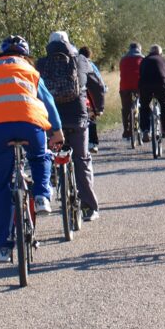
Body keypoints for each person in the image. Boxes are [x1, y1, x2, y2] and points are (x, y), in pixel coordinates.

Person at [0, 36, 65, 264]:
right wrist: (57, 130)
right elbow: (48, 100)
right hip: (30, 125)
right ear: (24, 54)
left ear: (1, 54)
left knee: (0, 189)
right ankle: (43, 195)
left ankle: (3, 249)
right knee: (39, 155)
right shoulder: (30, 70)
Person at [37, 32, 104, 221]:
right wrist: (98, 108)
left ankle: (50, 186)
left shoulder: (41, 64)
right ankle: (89, 207)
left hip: (51, 120)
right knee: (81, 159)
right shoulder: (80, 60)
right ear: (68, 43)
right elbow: (96, 86)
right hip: (78, 117)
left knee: (48, 155)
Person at [139, 44, 165, 142]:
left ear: (150, 52)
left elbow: (140, 76)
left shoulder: (144, 61)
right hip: (161, 86)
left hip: (146, 87)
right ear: (160, 53)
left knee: (144, 107)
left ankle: (145, 130)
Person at [78, 46, 106, 154]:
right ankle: (93, 143)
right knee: (92, 115)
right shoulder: (91, 65)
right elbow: (99, 82)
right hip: (86, 98)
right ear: (90, 55)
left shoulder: (71, 63)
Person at [119, 43, 143, 141]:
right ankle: (144, 127)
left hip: (125, 86)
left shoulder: (123, 59)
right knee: (144, 105)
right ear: (139, 49)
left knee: (125, 108)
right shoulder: (142, 58)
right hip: (139, 86)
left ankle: (126, 132)